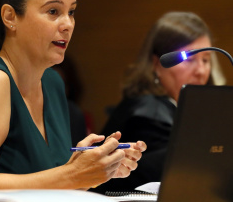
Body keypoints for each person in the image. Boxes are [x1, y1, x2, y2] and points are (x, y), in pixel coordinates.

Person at [0, 0, 146, 190]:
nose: (68, 24)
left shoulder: (52, 82)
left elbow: (51, 183)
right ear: (10, 17)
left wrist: (96, 170)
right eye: (53, 11)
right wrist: (73, 175)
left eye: (71, 12)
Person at [93, 11, 226, 193]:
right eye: (189, 59)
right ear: (157, 64)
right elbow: (188, 173)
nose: (201, 71)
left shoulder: (182, 110)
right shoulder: (147, 115)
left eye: (206, 60)